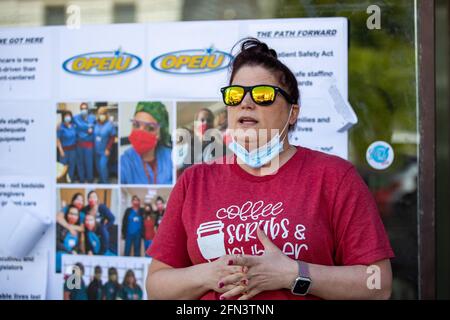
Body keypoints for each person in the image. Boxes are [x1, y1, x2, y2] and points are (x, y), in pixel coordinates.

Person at [145, 38, 394, 300]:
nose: (246, 103)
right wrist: (208, 274)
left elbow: (379, 285)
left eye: (263, 95)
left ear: (293, 113)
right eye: (235, 94)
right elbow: (157, 286)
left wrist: (293, 274)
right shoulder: (195, 180)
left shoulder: (334, 177)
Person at [120, 101, 173, 184]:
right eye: (136, 125)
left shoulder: (171, 158)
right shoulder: (125, 162)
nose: (140, 133)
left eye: (150, 128)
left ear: (159, 133)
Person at [83, 190, 116, 255]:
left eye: (94, 197)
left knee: (104, 231)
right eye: (90, 197)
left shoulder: (102, 207)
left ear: (97, 199)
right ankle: (89, 251)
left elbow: (112, 218)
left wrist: (105, 226)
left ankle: (102, 252)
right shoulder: (85, 209)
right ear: (88, 199)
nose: (92, 199)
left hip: (100, 228)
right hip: (89, 228)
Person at [73, 103, 96, 183]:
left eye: (85, 108)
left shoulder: (92, 118)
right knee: (80, 164)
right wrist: (87, 129)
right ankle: (82, 179)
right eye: (82, 108)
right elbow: (70, 125)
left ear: (87, 109)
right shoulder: (75, 118)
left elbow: (95, 128)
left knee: (89, 164)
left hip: (89, 145)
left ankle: (90, 179)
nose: (84, 110)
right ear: (80, 110)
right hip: (79, 145)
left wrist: (83, 129)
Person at [94, 106, 116, 183]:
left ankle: (106, 182)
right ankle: (101, 180)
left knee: (103, 166)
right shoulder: (96, 123)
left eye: (103, 113)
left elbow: (112, 137)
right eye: (100, 113)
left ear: (106, 114)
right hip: (97, 150)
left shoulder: (109, 124)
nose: (101, 115)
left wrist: (108, 148)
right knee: (98, 167)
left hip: (104, 150)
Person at [56, 205, 81, 273]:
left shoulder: (79, 230)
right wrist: (69, 252)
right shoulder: (60, 226)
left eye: (75, 214)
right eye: (71, 213)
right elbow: (56, 243)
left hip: (72, 261)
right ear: (67, 214)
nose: (73, 216)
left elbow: (78, 246)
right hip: (59, 259)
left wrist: (75, 251)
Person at [57, 111, 77, 182]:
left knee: (72, 167)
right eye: (66, 116)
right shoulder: (60, 127)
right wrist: (61, 150)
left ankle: (70, 181)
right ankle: (64, 182)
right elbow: (58, 139)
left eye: (69, 116)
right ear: (63, 117)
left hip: (73, 150)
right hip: (64, 151)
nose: (68, 117)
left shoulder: (73, 125)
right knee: (63, 168)